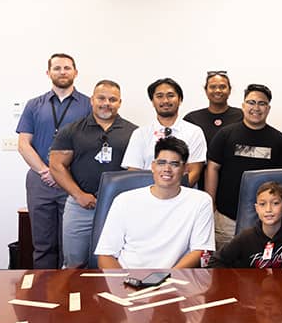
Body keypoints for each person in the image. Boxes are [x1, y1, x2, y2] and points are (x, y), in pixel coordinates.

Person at [49, 80, 137, 268]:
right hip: (81, 207)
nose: (106, 103)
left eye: (113, 99)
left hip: (119, 209)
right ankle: (74, 297)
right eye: (101, 98)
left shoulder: (134, 132)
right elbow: (56, 165)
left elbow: (137, 170)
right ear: (92, 100)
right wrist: (79, 195)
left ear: (120, 102)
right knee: (74, 263)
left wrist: (121, 200)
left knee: (117, 262)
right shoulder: (72, 130)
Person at [16, 53, 92, 269]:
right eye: (57, 68)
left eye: (67, 68)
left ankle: (67, 295)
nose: (62, 72)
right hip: (40, 182)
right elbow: (23, 144)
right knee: (42, 244)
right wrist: (45, 171)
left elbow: (90, 145)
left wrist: (60, 173)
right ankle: (42, 295)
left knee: (71, 245)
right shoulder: (34, 105)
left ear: (75, 72)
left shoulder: (88, 105)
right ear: (48, 73)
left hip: (73, 182)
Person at [95, 137, 215, 269]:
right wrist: (123, 283)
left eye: (174, 164)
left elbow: (201, 250)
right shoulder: (124, 200)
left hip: (174, 279)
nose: (167, 169)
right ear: (153, 166)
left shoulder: (200, 201)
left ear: (185, 169)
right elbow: (106, 255)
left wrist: (165, 278)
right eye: (161, 163)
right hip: (128, 278)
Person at [206, 84, 282, 249]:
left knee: (260, 267)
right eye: (251, 102)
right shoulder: (225, 135)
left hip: (266, 221)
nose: (256, 107)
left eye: (261, 103)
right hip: (227, 219)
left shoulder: (279, 140)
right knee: (226, 267)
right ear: (243, 106)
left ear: (268, 108)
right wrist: (211, 203)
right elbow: (212, 168)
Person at [121, 77, 206, 187]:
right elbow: (134, 172)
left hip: (183, 197)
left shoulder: (194, 132)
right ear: (152, 101)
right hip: (147, 197)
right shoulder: (140, 134)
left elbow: (194, 172)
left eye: (170, 95)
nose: (165, 100)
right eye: (159, 96)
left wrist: (171, 194)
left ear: (180, 100)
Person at [184, 70, 243, 190]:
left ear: (229, 90)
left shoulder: (242, 116)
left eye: (222, 87)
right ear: (206, 90)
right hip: (199, 178)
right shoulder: (192, 118)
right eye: (213, 87)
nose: (217, 90)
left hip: (234, 177)